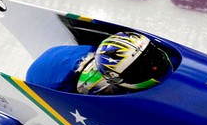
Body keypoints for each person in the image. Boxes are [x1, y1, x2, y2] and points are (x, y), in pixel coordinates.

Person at [26, 32, 173, 94]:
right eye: (141, 69)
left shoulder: (114, 61)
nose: (154, 66)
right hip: (45, 81)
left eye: (153, 55)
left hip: (70, 56)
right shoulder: (95, 87)